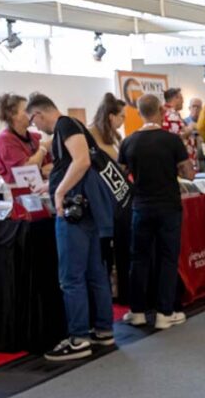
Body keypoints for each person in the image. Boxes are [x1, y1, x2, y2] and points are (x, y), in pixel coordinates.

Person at [26, 93, 115, 362]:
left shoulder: (65, 125)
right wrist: (51, 185)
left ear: (38, 114)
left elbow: (82, 161)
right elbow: (75, 164)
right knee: (94, 273)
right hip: (87, 210)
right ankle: (102, 330)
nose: (35, 126)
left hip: (75, 212)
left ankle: (78, 338)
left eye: (33, 120)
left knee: (71, 278)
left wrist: (59, 191)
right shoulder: (71, 126)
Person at [117, 94, 193, 330]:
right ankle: (164, 312)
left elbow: (120, 174)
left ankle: (137, 311)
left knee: (139, 259)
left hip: (141, 206)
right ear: (161, 111)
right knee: (167, 258)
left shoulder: (128, 142)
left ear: (139, 113)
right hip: (168, 206)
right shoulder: (172, 141)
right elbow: (189, 174)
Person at [89, 93, 130, 303]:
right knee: (104, 251)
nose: (123, 121)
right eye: (122, 116)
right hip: (102, 201)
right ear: (111, 116)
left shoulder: (115, 137)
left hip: (119, 200)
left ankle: (121, 289)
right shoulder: (89, 134)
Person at [0, 92, 51, 188]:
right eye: (27, 110)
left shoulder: (35, 137)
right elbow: (26, 171)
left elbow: (50, 167)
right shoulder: (5, 140)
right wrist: (43, 149)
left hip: (39, 189)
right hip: (19, 192)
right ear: (12, 114)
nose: (32, 113)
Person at [162, 88, 197, 167]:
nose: (183, 101)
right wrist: (190, 127)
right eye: (181, 98)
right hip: (181, 162)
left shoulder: (167, 113)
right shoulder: (171, 114)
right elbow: (178, 136)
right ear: (175, 98)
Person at [89, 93, 126, 161]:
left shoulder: (117, 135)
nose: (124, 120)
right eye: (122, 116)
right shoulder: (91, 134)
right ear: (111, 117)